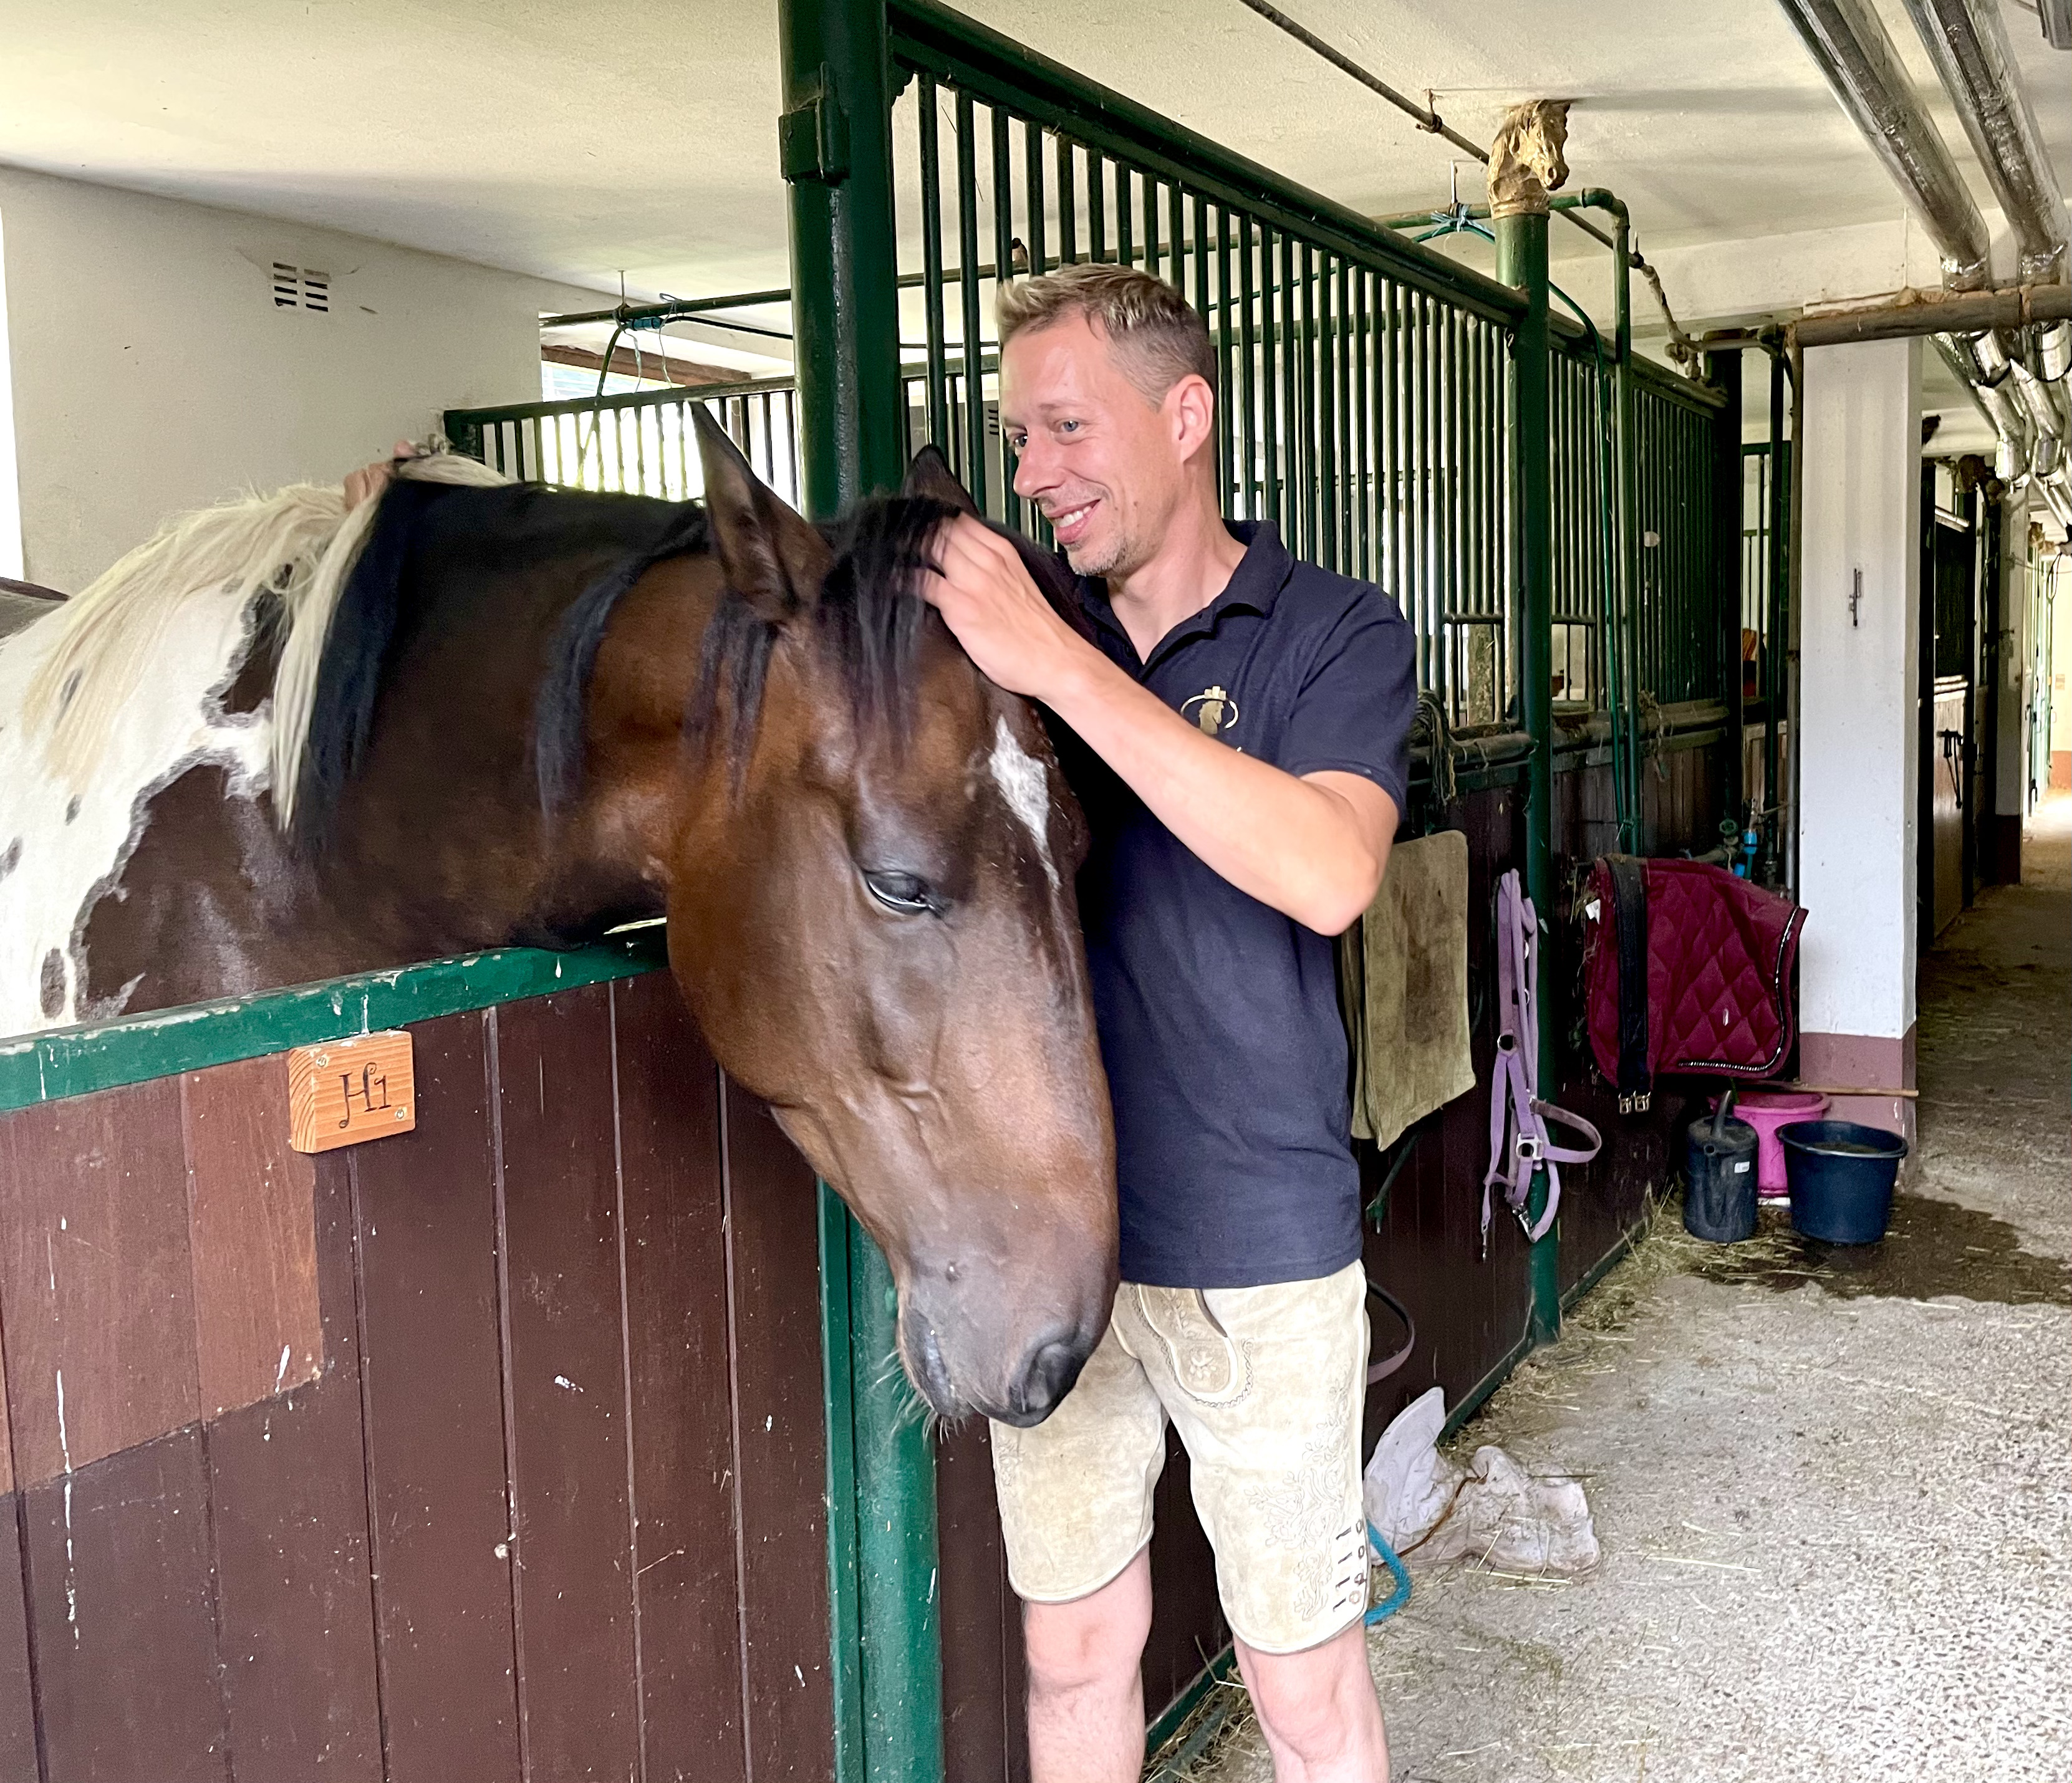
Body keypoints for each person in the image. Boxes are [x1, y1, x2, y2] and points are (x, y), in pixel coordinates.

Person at [922, 264, 1414, 1783]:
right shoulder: (1009, 619)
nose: (1035, 472)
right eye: (1017, 437)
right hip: (1052, 1244)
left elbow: (1328, 872)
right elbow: (776, 592)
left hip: (1259, 1252)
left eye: (1067, 425)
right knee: (1073, 1650)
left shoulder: (1330, 632)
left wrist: (1060, 669)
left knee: (1302, 1686)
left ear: (1185, 414)